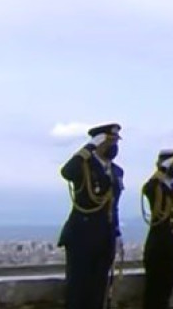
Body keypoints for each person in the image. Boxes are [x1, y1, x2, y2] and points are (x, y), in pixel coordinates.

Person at [59, 123, 124, 309]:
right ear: (99, 142)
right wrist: (89, 147)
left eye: (116, 141)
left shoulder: (117, 171)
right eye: (109, 141)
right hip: (82, 236)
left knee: (98, 293)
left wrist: (116, 233)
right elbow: (66, 172)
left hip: (105, 237)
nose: (113, 146)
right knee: (78, 292)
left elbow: (113, 205)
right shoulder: (83, 165)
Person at [142, 148, 173, 309]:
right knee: (155, 295)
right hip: (159, 247)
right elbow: (148, 189)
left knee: (166, 294)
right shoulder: (156, 185)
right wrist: (161, 170)